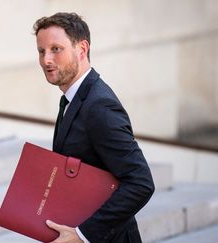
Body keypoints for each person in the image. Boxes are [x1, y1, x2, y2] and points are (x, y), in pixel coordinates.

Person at [33, 12, 155, 243]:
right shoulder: (72, 98)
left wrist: (82, 235)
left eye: (56, 49)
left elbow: (140, 183)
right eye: (41, 51)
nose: (46, 60)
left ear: (82, 49)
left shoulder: (100, 106)